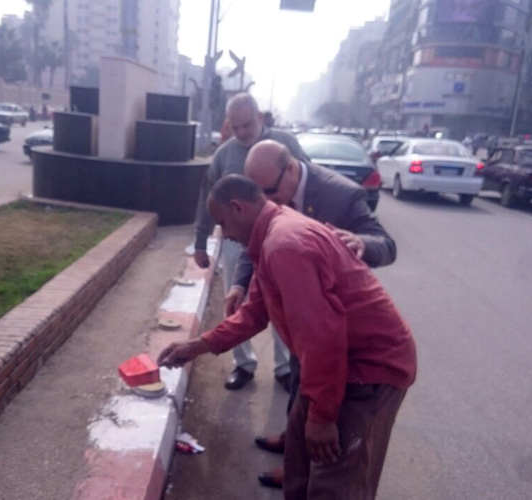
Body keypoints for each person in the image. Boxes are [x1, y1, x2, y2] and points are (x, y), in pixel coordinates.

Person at [159, 175, 417, 500]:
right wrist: (197, 346)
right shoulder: (272, 234)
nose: (225, 234)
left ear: (238, 208)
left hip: (368, 369)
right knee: (299, 463)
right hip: (332, 366)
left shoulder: (285, 244)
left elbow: (322, 337)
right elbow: (255, 312)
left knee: (336, 482)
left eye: (222, 223)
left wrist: (323, 417)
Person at [233, 140, 397, 489]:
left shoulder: (341, 195)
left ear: (291, 169)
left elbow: (386, 243)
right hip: (301, 319)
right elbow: (255, 235)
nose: (265, 201)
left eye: (269, 192)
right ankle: (295, 452)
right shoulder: (270, 201)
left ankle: (305, 463)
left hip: (335, 323)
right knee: (301, 387)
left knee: (325, 409)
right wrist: (239, 283)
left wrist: (361, 243)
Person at [194, 92, 307, 392]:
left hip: (282, 237)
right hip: (236, 241)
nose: (242, 132)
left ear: (259, 117)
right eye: (236, 127)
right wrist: (200, 241)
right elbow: (208, 197)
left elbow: (306, 180)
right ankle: (243, 363)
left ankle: (285, 365)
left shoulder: (285, 144)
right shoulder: (224, 155)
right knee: (235, 299)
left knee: (281, 300)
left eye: (247, 125)